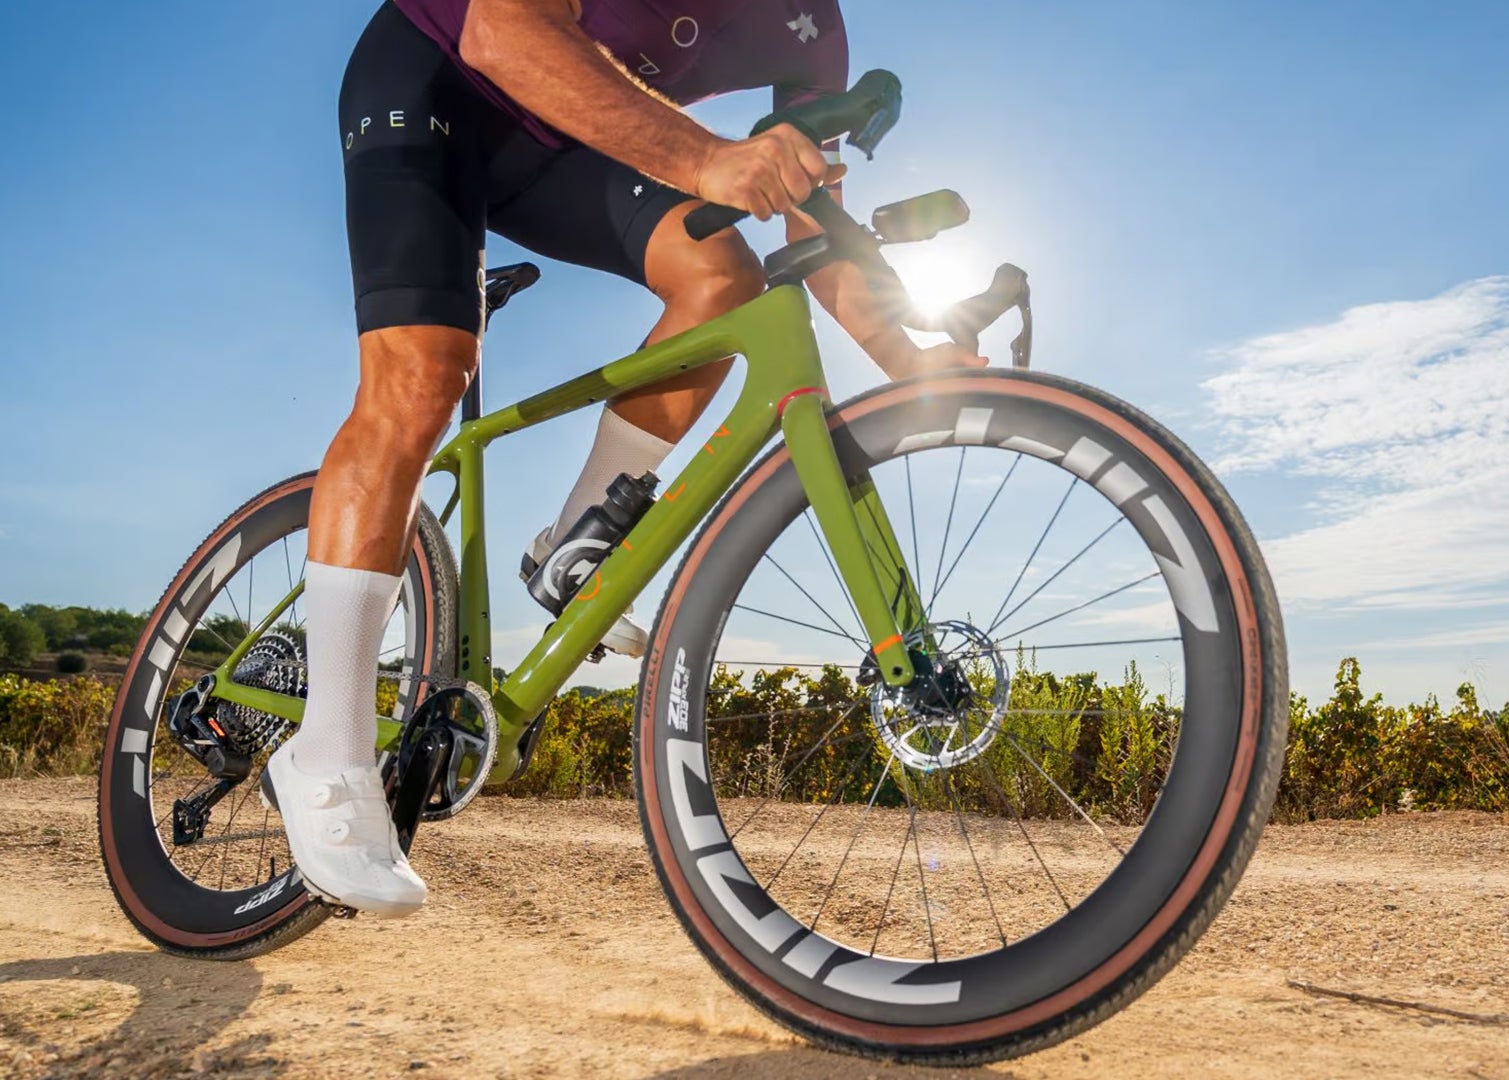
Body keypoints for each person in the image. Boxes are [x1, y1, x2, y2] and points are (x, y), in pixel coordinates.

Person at [268, 0, 983, 917]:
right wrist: (708, 159)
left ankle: (572, 540)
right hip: (438, 78)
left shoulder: (814, 25)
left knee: (727, 282)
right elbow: (501, 32)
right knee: (423, 373)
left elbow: (820, 236)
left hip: (566, 138)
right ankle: (325, 750)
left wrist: (921, 371)